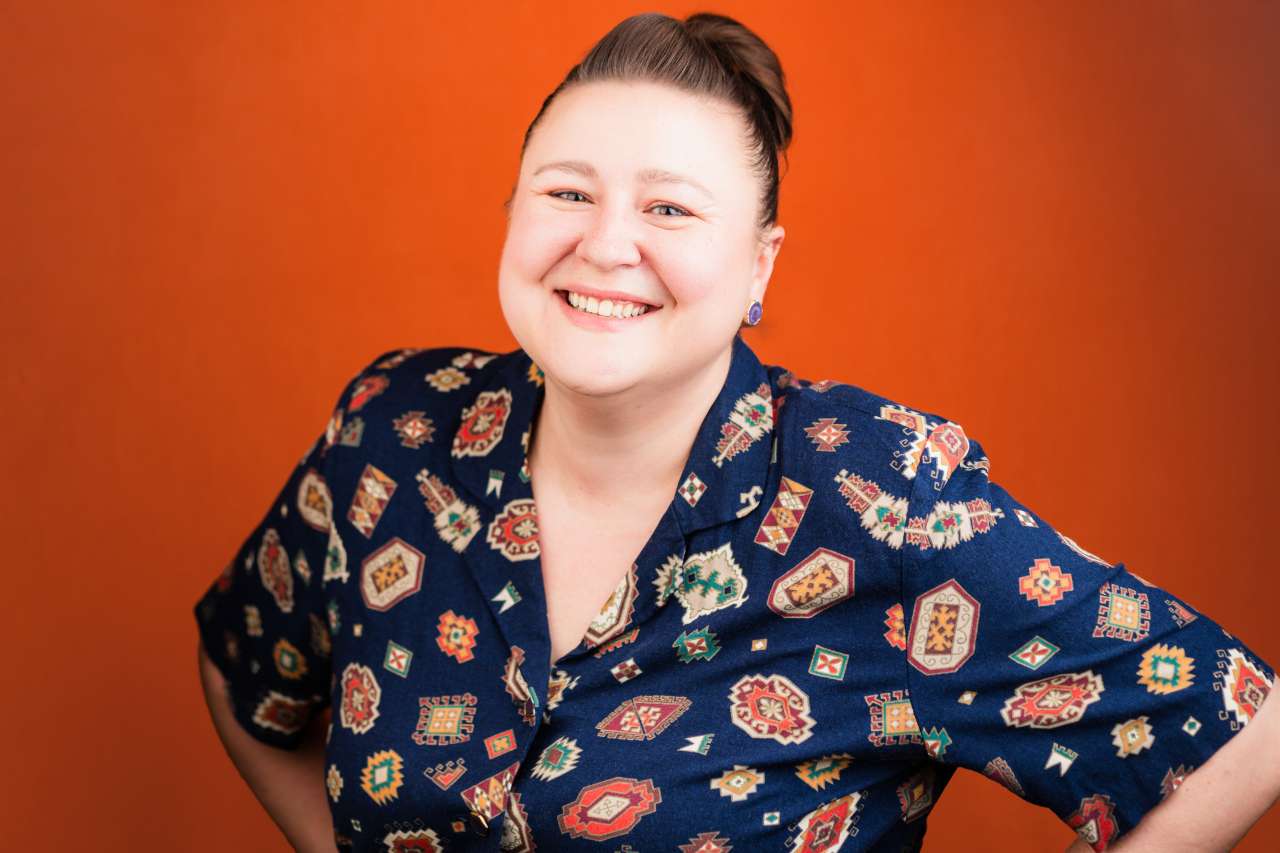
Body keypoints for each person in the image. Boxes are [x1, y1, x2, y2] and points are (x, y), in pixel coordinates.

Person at [194, 11, 1279, 852]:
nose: (605, 245)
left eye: (668, 208)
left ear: (760, 262)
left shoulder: (877, 496)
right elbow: (243, 671)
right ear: (512, 212)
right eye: (565, 192)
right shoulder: (393, 433)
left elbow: (1244, 730)